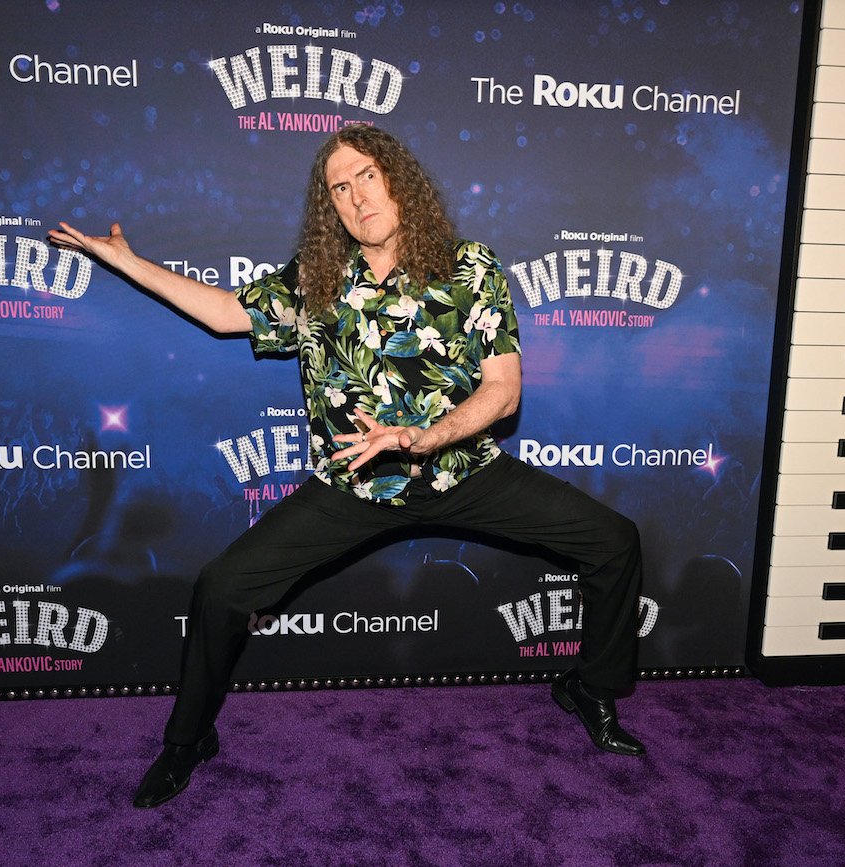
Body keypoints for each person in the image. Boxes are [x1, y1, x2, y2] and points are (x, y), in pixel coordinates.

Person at [49, 125, 646, 809]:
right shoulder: (318, 278)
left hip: (463, 473)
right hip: (355, 485)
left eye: (367, 175)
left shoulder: (469, 265)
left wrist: (427, 435)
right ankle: (187, 740)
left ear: (398, 179)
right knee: (221, 588)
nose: (356, 195)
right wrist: (126, 261)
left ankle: (589, 688)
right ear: (329, 204)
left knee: (613, 540)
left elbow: (503, 387)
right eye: (339, 186)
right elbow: (221, 313)